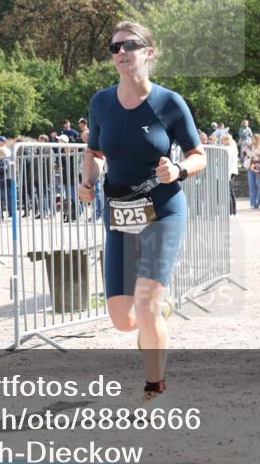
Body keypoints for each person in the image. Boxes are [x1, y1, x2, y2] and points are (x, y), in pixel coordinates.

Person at [78, 20, 204, 406]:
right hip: (119, 213)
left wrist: (178, 170)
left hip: (162, 210)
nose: (120, 52)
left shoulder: (169, 103)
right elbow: (94, 152)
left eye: (129, 45)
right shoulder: (101, 103)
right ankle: (157, 316)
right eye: (114, 47)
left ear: (148, 52)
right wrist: (87, 181)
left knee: (146, 305)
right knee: (123, 319)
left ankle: (154, 387)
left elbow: (198, 155)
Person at [221, 133, 239, 215]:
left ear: (227, 140)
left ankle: (231, 212)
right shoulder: (232, 148)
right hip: (231, 171)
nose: (221, 141)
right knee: (231, 192)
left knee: (229, 192)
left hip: (230, 172)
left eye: (223, 140)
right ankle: (233, 212)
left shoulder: (228, 149)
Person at [245, 134, 260, 209]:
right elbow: (247, 155)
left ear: (258, 139)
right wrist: (252, 155)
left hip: (258, 168)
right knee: (252, 186)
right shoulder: (249, 147)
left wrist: (255, 156)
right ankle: (253, 203)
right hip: (250, 167)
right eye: (252, 138)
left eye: (254, 138)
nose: (253, 140)